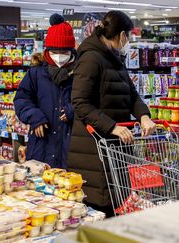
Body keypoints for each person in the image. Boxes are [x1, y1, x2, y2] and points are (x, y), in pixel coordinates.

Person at [67, 11, 156, 215]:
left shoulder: (113, 58)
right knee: (101, 210)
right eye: (129, 37)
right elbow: (80, 102)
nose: (129, 41)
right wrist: (112, 126)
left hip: (114, 147)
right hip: (94, 149)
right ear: (122, 35)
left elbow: (131, 94)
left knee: (117, 205)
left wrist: (143, 115)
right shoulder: (91, 58)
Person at [14, 14, 75, 168]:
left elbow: (90, 100)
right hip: (41, 146)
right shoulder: (35, 73)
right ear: (47, 51)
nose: (59, 57)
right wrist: (35, 117)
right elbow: (21, 100)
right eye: (54, 52)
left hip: (71, 147)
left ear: (72, 51)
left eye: (65, 53)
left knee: (69, 188)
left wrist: (73, 110)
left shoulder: (81, 73)